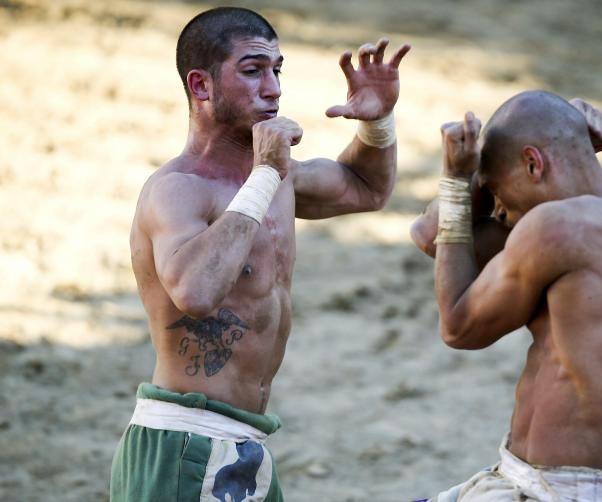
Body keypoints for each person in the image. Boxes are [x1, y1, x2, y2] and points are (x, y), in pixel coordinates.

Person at [110, 7, 410, 501]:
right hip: (185, 442)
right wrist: (266, 173)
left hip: (247, 439)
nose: (273, 88)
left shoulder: (275, 177)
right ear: (201, 86)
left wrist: (378, 125)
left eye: (277, 70)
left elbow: (364, 189)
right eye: (252, 71)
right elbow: (196, 291)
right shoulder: (178, 190)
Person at [410, 91, 602, 501]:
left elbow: (457, 326)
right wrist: (477, 171)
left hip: (555, 493)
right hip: (527, 480)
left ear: (533, 164)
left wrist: (457, 178)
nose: (497, 210)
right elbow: (430, 235)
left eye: (497, 191)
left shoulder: (557, 229)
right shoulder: (595, 224)